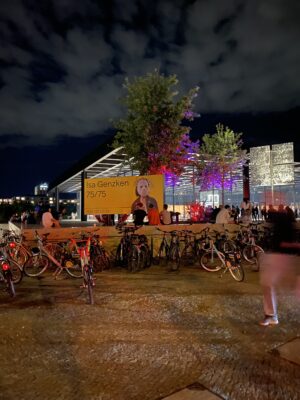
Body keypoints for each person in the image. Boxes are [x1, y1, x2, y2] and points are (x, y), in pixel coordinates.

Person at [259, 206, 300, 326]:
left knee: (269, 284)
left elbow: (289, 242)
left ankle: (271, 315)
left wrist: (289, 245)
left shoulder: (286, 223)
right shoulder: (286, 223)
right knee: (267, 283)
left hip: (285, 258)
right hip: (279, 257)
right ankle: (271, 315)